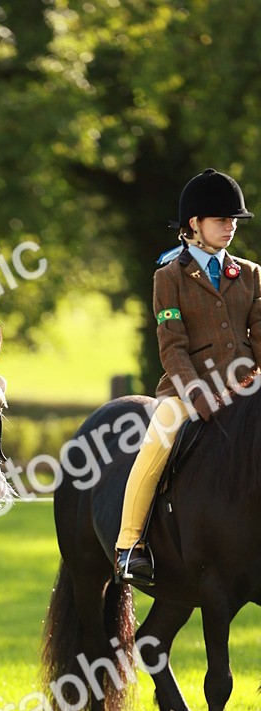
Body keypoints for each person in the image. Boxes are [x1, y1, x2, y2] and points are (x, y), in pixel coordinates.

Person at [114, 168, 261, 585]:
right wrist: (196, 394)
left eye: (234, 220)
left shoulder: (250, 274)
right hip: (187, 391)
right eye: (221, 219)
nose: (230, 227)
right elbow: (172, 345)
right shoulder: (169, 277)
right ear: (194, 225)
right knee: (158, 440)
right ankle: (130, 546)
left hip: (247, 388)